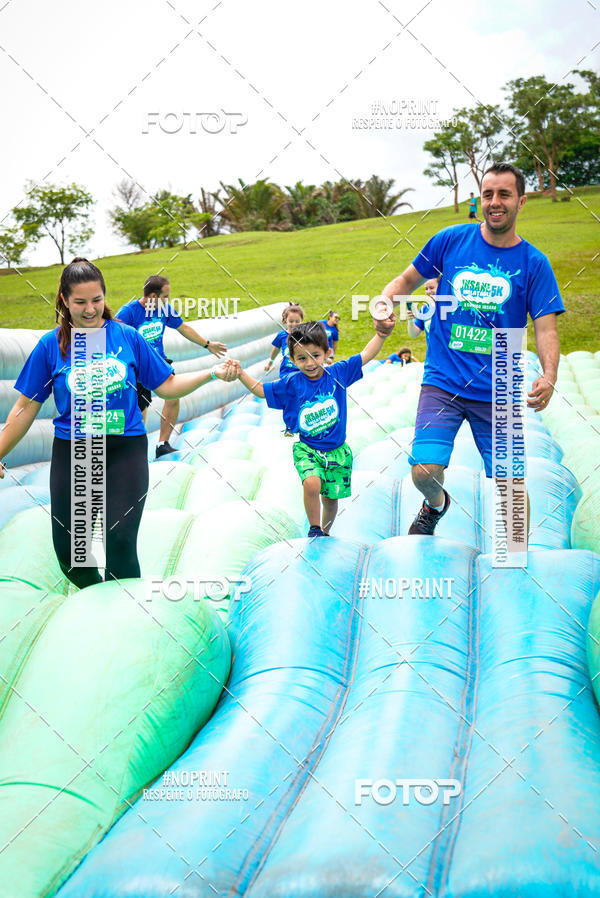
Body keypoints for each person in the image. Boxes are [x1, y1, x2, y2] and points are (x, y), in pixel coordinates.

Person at [0, 258, 235, 589]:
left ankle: (127, 610)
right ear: (65, 300)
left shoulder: (126, 336)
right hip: (76, 450)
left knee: (119, 540)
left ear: (104, 296)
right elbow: (24, 408)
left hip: (125, 447)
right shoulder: (50, 346)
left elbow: (166, 386)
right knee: (72, 554)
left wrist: (212, 372)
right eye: (80, 302)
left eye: (96, 299)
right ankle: (97, 600)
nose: (90, 309)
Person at [375, 162, 564, 537]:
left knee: (510, 487)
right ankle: (436, 504)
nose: (495, 202)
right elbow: (406, 280)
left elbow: (546, 328)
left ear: (521, 202)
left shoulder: (534, 264)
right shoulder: (450, 240)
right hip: (443, 380)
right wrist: (384, 302)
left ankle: (515, 559)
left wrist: (549, 374)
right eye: (488, 194)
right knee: (423, 470)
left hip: (501, 386)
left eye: (504, 194)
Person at [229, 320, 388, 537]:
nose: (310, 363)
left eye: (315, 355)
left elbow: (365, 355)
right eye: (302, 358)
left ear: (327, 352)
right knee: (312, 483)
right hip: (308, 449)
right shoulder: (292, 382)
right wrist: (240, 374)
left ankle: (325, 531)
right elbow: (261, 391)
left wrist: (381, 334)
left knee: (331, 499)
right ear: (292, 360)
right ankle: (314, 529)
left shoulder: (337, 374)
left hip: (337, 451)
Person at [116, 276, 227, 458]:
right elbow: (113, 336)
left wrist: (208, 344)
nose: (168, 300)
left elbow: (183, 328)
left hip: (158, 362)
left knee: (174, 397)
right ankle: (136, 450)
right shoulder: (129, 312)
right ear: (153, 295)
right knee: (139, 409)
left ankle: (162, 444)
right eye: (165, 296)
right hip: (136, 366)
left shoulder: (163, 309)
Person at [265, 303, 304, 435]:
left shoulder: (305, 335)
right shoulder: (282, 335)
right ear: (285, 321)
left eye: (297, 321)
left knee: (303, 396)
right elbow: (275, 349)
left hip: (302, 372)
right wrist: (270, 362)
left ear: (302, 321)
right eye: (291, 321)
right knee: (290, 397)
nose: (294, 324)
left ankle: (303, 423)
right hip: (287, 373)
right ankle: (290, 426)